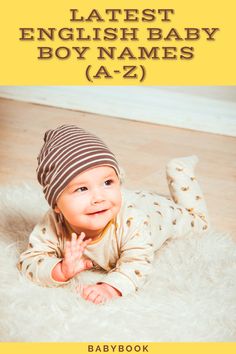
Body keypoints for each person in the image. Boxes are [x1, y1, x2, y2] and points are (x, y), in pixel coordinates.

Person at [18, 124, 210, 304]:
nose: (98, 197)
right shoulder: (53, 224)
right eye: (82, 189)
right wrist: (60, 269)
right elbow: (30, 261)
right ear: (56, 204)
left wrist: (110, 288)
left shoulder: (135, 223)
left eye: (108, 182)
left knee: (198, 221)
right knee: (116, 198)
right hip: (128, 199)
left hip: (155, 210)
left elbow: (137, 264)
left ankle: (180, 172)